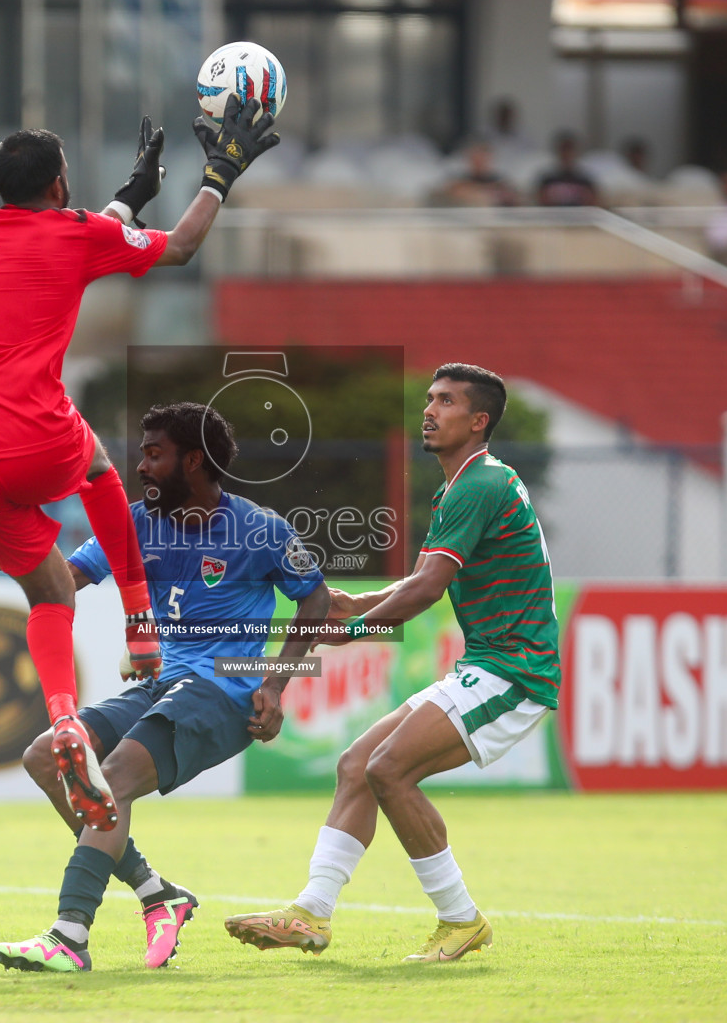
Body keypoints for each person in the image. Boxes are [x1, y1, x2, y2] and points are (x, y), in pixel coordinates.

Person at [0, 95, 279, 831]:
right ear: (57, 187)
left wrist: (126, 197)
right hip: (32, 437)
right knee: (104, 471)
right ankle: (142, 623)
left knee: (49, 595)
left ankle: (63, 719)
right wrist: (219, 175)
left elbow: (67, 237)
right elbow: (176, 246)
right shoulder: (74, 235)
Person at [0, 402, 329, 972]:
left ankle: (69, 935)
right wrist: (16, 558)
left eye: (153, 454)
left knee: (112, 775)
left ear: (192, 460)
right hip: (163, 682)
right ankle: (156, 894)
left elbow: (315, 599)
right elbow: (67, 577)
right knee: (48, 757)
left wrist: (277, 684)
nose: (140, 466)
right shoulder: (135, 521)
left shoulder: (260, 530)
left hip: (222, 692)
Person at [222, 363, 560, 965]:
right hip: (488, 665)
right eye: (430, 399)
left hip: (515, 672)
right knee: (358, 764)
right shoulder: (466, 484)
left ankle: (460, 919)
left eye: (447, 402)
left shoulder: (478, 484)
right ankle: (311, 912)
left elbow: (429, 589)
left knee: (388, 769)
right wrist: (362, 601)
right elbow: (425, 577)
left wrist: (354, 630)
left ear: (479, 421)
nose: (429, 410)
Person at [431, 141, 521, 208]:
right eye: (475, 158)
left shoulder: (500, 181)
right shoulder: (460, 180)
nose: (479, 162)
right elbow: (453, 190)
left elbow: (510, 196)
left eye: (482, 159)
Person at [534, 131, 599, 207]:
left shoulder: (585, 180)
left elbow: (593, 202)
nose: (567, 154)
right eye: (564, 150)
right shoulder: (548, 180)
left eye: (569, 150)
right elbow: (541, 200)